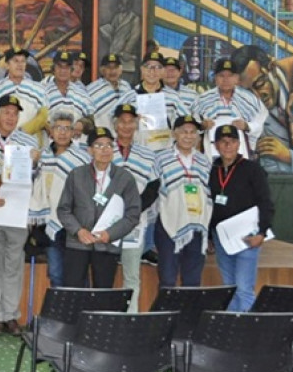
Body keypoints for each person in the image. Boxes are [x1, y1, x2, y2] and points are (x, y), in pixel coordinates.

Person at [0, 94, 39, 335]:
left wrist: (35, 163)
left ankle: (11, 315)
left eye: (15, 113)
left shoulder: (28, 143)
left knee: (14, 263)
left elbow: (35, 178)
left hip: (17, 211)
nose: (10, 117)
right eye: (6, 112)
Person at [57, 127, 141, 288]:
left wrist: (110, 234)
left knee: (103, 294)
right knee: (72, 291)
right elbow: (64, 210)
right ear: (89, 150)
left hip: (107, 244)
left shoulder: (125, 178)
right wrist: (78, 231)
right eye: (99, 146)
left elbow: (133, 214)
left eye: (109, 145)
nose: (105, 150)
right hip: (78, 243)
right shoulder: (76, 175)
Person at [209, 125, 275, 311]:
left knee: (244, 288)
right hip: (221, 238)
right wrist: (209, 237)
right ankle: (231, 331)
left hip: (247, 237)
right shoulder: (213, 171)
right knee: (229, 289)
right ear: (216, 145)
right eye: (223, 141)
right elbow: (209, 205)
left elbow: (266, 202)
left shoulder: (252, 169)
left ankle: (246, 334)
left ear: (239, 144)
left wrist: (262, 232)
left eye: (232, 141)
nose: (228, 145)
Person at [28, 110, 90, 288]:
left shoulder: (82, 159)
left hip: (75, 224)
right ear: (51, 132)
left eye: (67, 128)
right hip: (49, 223)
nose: (62, 132)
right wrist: (32, 164)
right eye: (58, 128)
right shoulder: (42, 156)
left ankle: (82, 314)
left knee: (78, 273)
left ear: (73, 132)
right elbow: (32, 185)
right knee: (56, 273)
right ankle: (60, 315)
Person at [153, 115, 213, 287]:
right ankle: (166, 314)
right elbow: (151, 191)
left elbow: (209, 195)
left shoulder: (204, 161)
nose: (188, 136)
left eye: (193, 132)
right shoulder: (161, 158)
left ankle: (190, 314)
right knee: (167, 279)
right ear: (174, 134)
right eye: (184, 132)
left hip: (197, 226)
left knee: (193, 280)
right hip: (168, 225)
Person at [110, 104, 160, 311]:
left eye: (131, 121)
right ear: (115, 124)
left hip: (135, 223)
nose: (126, 126)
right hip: (106, 223)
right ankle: (106, 319)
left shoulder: (147, 154)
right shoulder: (104, 149)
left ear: (137, 125)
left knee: (132, 275)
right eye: (122, 121)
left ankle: (130, 318)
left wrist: (133, 210)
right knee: (105, 273)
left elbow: (153, 186)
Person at [192, 59, 267, 155]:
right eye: (221, 76)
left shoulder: (250, 99)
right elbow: (191, 126)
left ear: (237, 78)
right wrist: (202, 126)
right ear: (215, 78)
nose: (225, 79)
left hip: (241, 151)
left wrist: (247, 126)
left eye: (230, 76)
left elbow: (261, 122)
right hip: (210, 152)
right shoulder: (202, 99)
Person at [118, 52, 188, 151]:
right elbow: (114, 121)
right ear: (142, 69)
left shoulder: (173, 97)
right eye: (148, 66)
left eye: (158, 67)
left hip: (165, 153)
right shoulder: (129, 97)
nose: (152, 71)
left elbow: (185, 123)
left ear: (163, 71)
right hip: (137, 153)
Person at [0, 49, 47, 141]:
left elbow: (44, 116)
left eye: (23, 61)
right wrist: (2, 132)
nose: (20, 65)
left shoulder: (39, 89)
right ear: (7, 65)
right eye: (16, 61)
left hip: (29, 144)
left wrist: (25, 131)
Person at [43, 52, 93, 136]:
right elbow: (33, 117)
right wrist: (46, 126)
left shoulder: (81, 93)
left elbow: (91, 119)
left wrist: (82, 123)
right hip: (48, 144)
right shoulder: (42, 91)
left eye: (67, 67)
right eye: (59, 66)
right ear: (53, 69)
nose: (63, 71)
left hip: (75, 144)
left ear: (71, 70)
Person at [88, 54, 133, 130]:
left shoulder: (126, 87)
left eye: (116, 67)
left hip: (123, 135)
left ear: (120, 69)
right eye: (109, 67)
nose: (113, 71)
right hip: (101, 136)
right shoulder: (92, 89)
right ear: (102, 70)